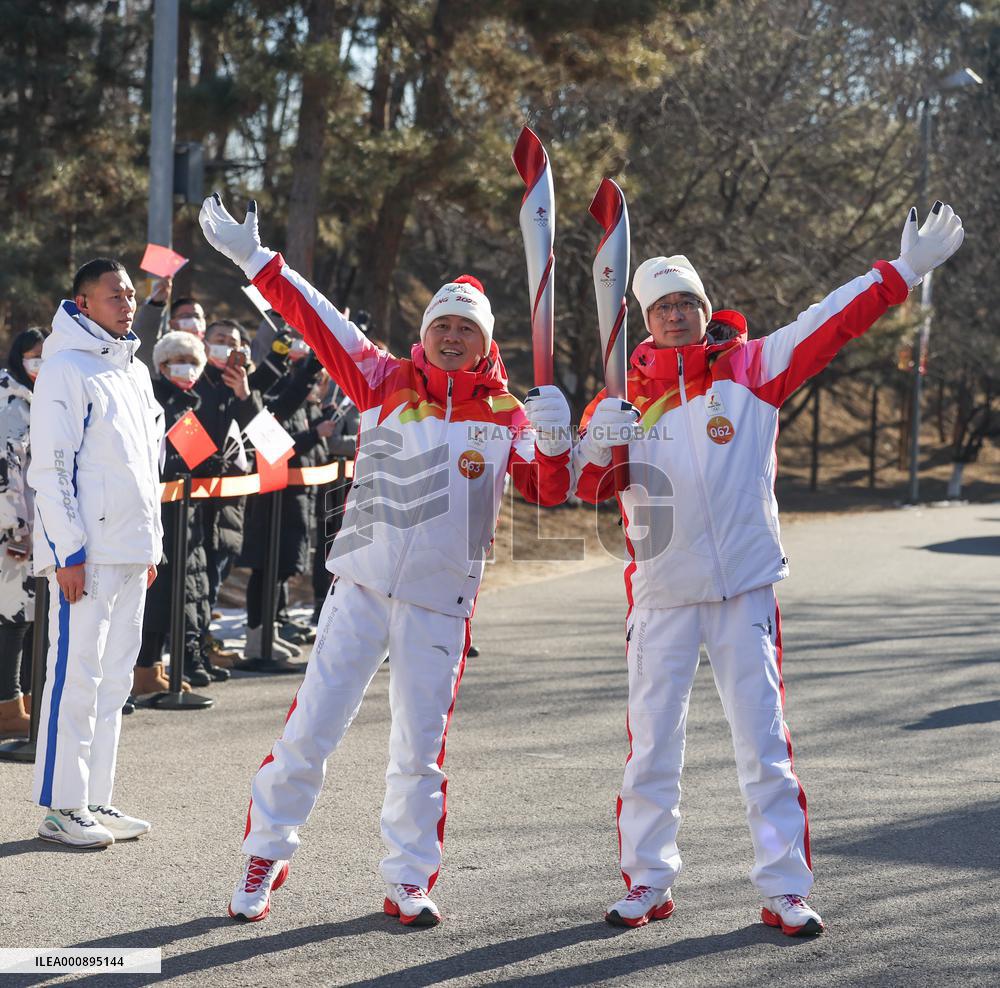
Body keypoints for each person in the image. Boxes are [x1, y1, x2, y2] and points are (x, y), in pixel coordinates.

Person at [572, 204, 965, 934]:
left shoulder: (749, 370)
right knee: (653, 748)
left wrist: (902, 272)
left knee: (764, 745)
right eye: (663, 307)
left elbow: (828, 322)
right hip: (660, 595)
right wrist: (595, 438)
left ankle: (785, 887)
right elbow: (576, 486)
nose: (678, 315)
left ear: (702, 307)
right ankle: (648, 882)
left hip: (744, 590)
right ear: (644, 320)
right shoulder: (623, 399)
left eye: (688, 301)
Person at [199, 193, 572, 926]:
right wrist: (256, 261)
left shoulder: (506, 416)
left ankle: (408, 877)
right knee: (312, 729)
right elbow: (319, 319)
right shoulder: (381, 379)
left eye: (467, 328)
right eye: (443, 326)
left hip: (440, 605)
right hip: (361, 589)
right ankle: (267, 850)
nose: (453, 337)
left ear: (485, 340)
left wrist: (556, 439)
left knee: (419, 750)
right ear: (424, 332)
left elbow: (550, 490)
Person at [28, 257, 164, 847]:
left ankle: (95, 799)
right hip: (88, 555)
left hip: (131, 551)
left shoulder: (133, 370)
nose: (128, 304)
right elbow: (51, 469)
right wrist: (68, 552)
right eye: (116, 295)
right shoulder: (65, 370)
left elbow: (145, 466)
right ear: (83, 303)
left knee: (114, 683)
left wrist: (150, 544)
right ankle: (62, 805)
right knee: (74, 677)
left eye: (132, 295)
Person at [134, 331, 215, 693]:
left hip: (183, 513)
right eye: (178, 360)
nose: (187, 368)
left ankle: (151, 667)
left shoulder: (189, 404)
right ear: (161, 365)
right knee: (153, 595)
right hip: (156, 510)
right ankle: (140, 669)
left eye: (194, 362)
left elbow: (203, 462)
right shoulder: (155, 399)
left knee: (168, 595)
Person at [0, 328, 46, 737]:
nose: (40, 365)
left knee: (29, 617)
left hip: (34, 529)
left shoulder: (40, 399)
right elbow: (5, 474)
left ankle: (28, 699)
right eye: (34, 357)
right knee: (10, 618)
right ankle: (7, 707)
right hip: (11, 532)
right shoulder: (9, 402)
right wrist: (16, 529)